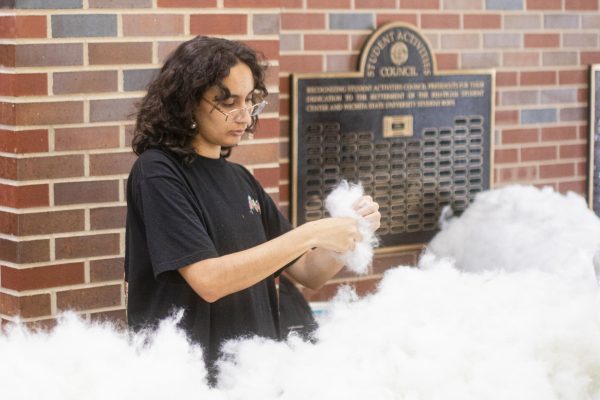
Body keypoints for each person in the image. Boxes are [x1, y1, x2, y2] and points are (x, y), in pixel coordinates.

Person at [124, 36, 381, 380]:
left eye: (250, 101)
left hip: (252, 372)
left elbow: (309, 272)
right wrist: (311, 233)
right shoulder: (157, 172)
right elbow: (208, 280)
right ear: (186, 102)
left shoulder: (241, 179)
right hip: (191, 377)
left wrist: (352, 231)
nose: (244, 115)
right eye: (227, 102)